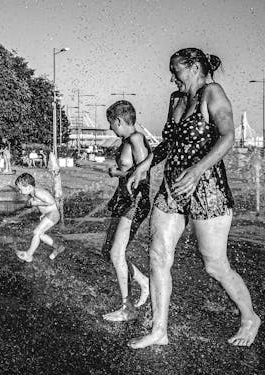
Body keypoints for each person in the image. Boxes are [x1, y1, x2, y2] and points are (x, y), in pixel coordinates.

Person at [126, 48, 261, 348]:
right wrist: (144, 165)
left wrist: (198, 170)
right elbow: (168, 144)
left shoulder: (212, 93)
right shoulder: (176, 99)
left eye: (176, 70)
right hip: (173, 187)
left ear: (195, 66)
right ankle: (159, 330)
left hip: (207, 187)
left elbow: (228, 136)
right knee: (158, 255)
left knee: (214, 265)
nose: (172, 76)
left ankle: (250, 317)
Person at [102, 101, 151, 322]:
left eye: (111, 123)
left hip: (134, 201)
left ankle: (127, 308)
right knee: (108, 251)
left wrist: (116, 173)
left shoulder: (136, 139)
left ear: (119, 120)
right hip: (123, 200)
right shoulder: (126, 141)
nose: (111, 128)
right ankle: (143, 281)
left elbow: (144, 175)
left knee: (115, 253)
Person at [14, 172, 65, 262]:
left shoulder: (37, 192)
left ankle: (28, 255)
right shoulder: (33, 194)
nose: (19, 191)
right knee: (40, 234)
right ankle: (58, 247)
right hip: (50, 214)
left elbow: (51, 202)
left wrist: (37, 203)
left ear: (29, 187)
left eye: (20, 189)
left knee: (36, 232)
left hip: (53, 214)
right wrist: (44, 213)